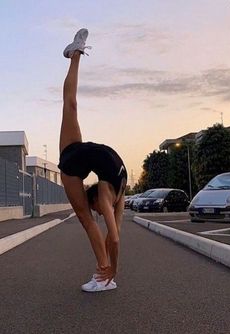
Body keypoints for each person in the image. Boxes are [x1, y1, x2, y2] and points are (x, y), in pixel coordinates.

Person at [58, 28, 127, 292]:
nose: (100, 210)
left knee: (70, 104)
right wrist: (114, 268)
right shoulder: (112, 195)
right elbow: (116, 238)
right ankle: (103, 276)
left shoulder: (115, 193)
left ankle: (102, 276)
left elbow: (115, 236)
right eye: (100, 208)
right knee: (70, 104)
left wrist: (113, 267)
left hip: (75, 156)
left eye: (97, 207)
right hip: (77, 156)